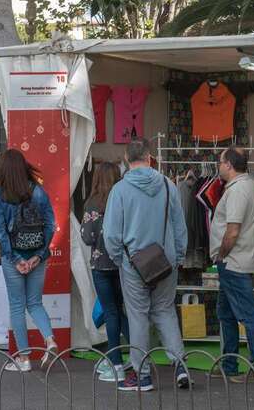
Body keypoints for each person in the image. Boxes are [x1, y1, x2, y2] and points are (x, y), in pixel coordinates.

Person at [103, 138, 190, 392]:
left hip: (134, 263)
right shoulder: (168, 185)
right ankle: (180, 366)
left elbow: (111, 235)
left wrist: (120, 259)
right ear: (150, 157)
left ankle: (142, 375)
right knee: (165, 311)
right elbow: (179, 226)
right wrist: (178, 256)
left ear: (126, 159)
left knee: (138, 316)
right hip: (166, 260)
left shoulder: (119, 190)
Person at [0, 149, 57, 373]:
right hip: (36, 255)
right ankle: (50, 340)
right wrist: (39, 255)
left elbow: (1, 233)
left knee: (17, 306)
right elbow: (50, 225)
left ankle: (24, 358)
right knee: (35, 303)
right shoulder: (38, 191)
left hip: (13, 257)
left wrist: (16, 259)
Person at [210, 147, 254, 382]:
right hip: (238, 261)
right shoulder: (251, 186)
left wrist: (221, 254)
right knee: (225, 313)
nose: (219, 166)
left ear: (229, 165)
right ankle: (230, 364)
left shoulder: (237, 190)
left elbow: (233, 230)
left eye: (220, 162)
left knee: (248, 315)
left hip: (233, 262)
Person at [81, 162, 131, 382]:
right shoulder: (123, 200)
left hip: (101, 264)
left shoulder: (92, 203)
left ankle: (116, 364)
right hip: (123, 264)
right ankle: (139, 356)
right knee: (120, 311)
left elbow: (87, 237)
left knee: (111, 312)